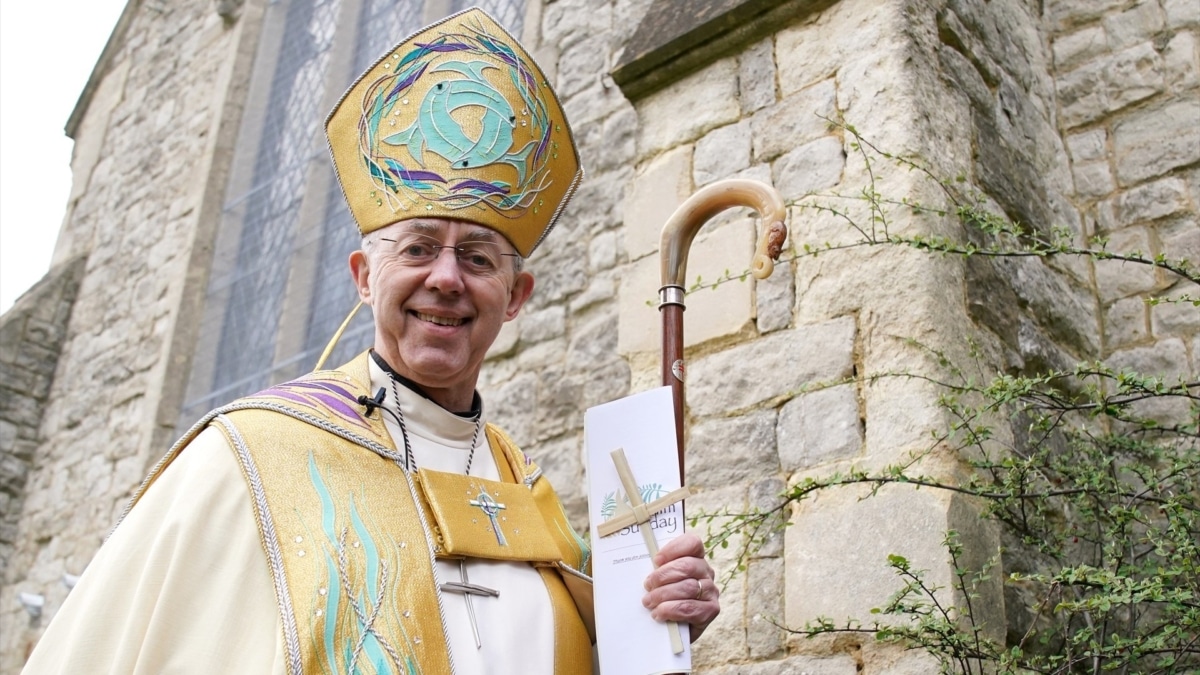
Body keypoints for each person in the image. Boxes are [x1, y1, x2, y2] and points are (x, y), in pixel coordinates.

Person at [23, 8, 719, 674]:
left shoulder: (523, 487)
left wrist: (655, 625)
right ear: (363, 277)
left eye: (477, 257)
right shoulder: (245, 462)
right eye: (418, 249)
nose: (446, 278)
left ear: (516, 298)